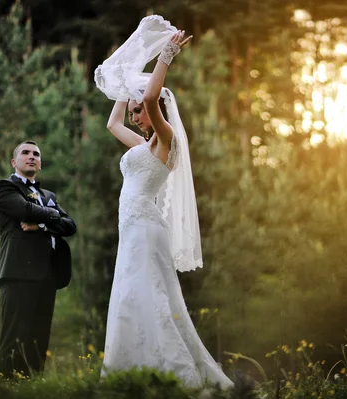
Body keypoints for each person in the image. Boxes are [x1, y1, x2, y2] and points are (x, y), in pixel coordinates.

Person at [99, 28, 233, 389]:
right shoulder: (141, 146)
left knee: (148, 292)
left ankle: (177, 374)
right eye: (134, 112)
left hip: (145, 226)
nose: (135, 118)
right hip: (131, 229)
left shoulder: (165, 141)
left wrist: (164, 57)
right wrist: (126, 84)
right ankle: (131, 370)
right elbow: (111, 123)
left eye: (139, 111)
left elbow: (154, 95)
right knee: (130, 292)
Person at [0, 140, 76, 379]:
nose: (31, 156)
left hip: (47, 275)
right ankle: (8, 387)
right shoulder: (5, 188)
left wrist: (41, 224)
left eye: (36, 154)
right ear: (14, 161)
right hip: (18, 272)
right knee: (15, 336)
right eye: (25, 153)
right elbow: (25, 210)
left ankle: (33, 386)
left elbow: (70, 226)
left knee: (39, 338)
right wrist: (53, 215)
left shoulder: (48, 194)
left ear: (40, 162)